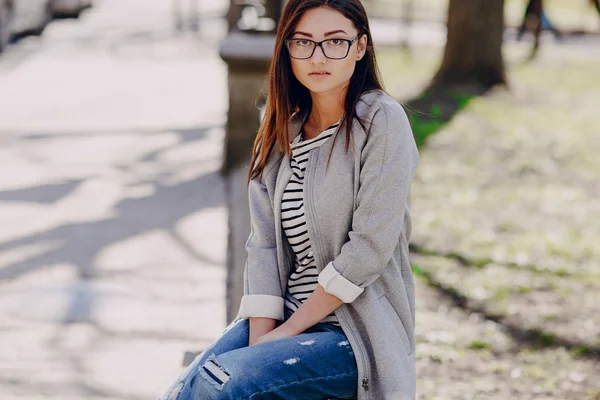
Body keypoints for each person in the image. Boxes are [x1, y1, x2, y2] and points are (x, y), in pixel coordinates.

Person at [158, 0, 419, 399]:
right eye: (303, 42)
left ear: (361, 46)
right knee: (186, 389)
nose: (318, 56)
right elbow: (263, 245)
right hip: (285, 317)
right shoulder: (282, 128)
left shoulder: (381, 121)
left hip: (353, 331)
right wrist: (263, 336)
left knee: (227, 387)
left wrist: (287, 332)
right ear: (287, 48)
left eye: (335, 42)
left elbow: (368, 248)